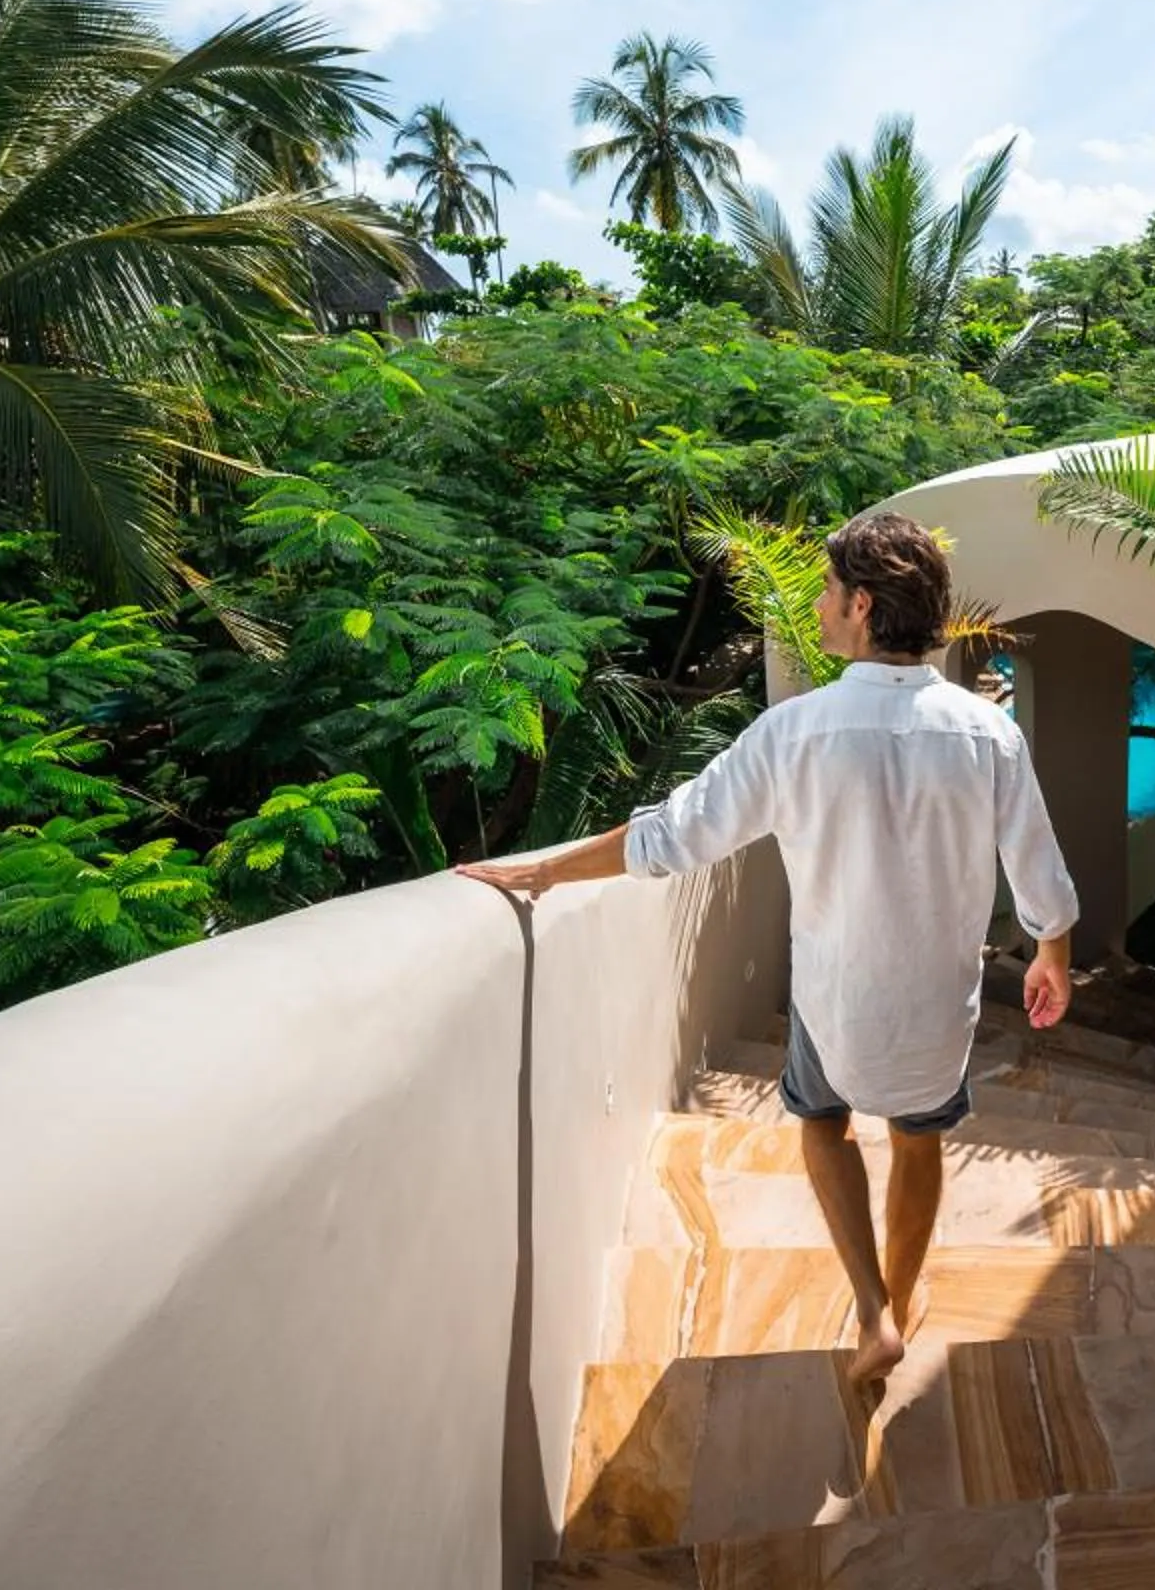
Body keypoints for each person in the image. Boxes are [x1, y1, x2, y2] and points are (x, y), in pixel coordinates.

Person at [458, 510, 1081, 1385]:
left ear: (862, 606)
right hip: (939, 1009)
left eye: (829, 592)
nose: (821, 606)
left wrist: (548, 872)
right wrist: (1051, 953)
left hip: (837, 1005)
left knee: (822, 1125)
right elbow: (1037, 866)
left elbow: (672, 836)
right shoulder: (990, 735)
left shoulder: (795, 733)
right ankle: (900, 1302)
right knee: (919, 1136)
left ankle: (870, 1310)